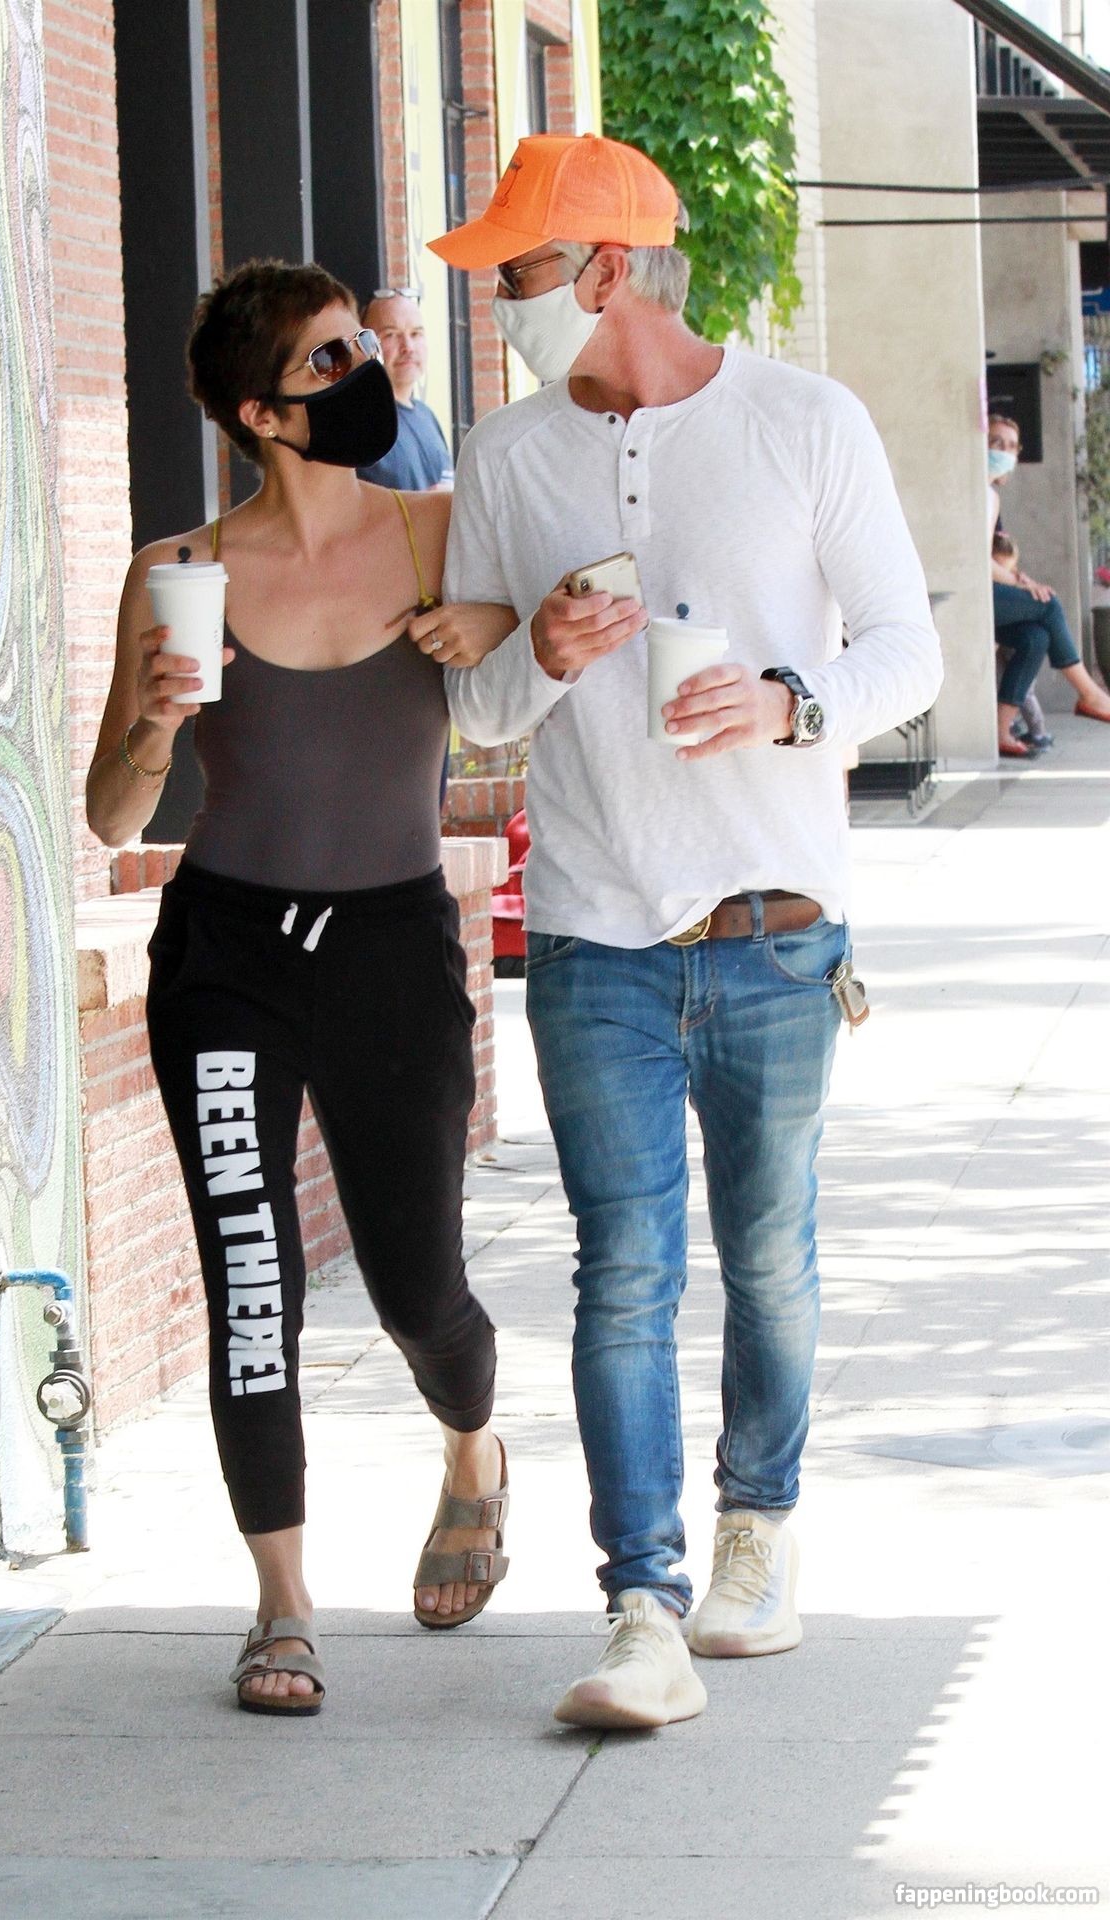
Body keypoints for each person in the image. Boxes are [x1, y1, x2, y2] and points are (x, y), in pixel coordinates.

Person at [423, 132, 944, 1731]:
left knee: (770, 1258)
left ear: (602, 271)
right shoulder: (507, 456)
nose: (499, 305)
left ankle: (755, 1535)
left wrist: (791, 705)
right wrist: (546, 652)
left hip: (777, 931)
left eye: (517, 274)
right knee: (623, 1271)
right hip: (596, 937)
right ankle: (640, 1608)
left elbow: (909, 650)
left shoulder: (805, 421)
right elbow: (477, 710)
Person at [86, 259, 516, 1717]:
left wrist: (496, 628)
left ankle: (473, 1452)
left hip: (393, 946)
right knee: (251, 1283)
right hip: (228, 959)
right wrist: (153, 726)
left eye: (359, 346)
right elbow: (110, 812)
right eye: (330, 361)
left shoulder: (441, 533)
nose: (366, 371)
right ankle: (281, 1604)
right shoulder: (178, 571)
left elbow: (564, 643)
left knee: (418, 1287)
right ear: (262, 416)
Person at [987, 413, 1110, 754]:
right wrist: (1020, 585)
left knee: (1035, 638)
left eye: (1010, 446)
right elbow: (975, 562)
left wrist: (1020, 579)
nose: (1003, 451)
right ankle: (1089, 694)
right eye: (995, 443)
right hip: (972, 594)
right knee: (1048, 604)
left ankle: (1001, 730)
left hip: (989, 590)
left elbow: (994, 557)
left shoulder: (990, 496)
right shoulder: (980, 495)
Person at [356, 289, 454, 491]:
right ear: (364, 345)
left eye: (416, 334)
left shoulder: (427, 417)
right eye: (391, 335)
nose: (408, 347)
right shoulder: (357, 421)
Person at [991, 532, 1052, 753]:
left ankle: (1038, 733)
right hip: (1005, 647)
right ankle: (1011, 726)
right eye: (998, 568)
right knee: (1004, 687)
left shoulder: (1018, 582)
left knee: (1024, 692)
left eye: (1007, 569)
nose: (1003, 574)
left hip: (1022, 649)